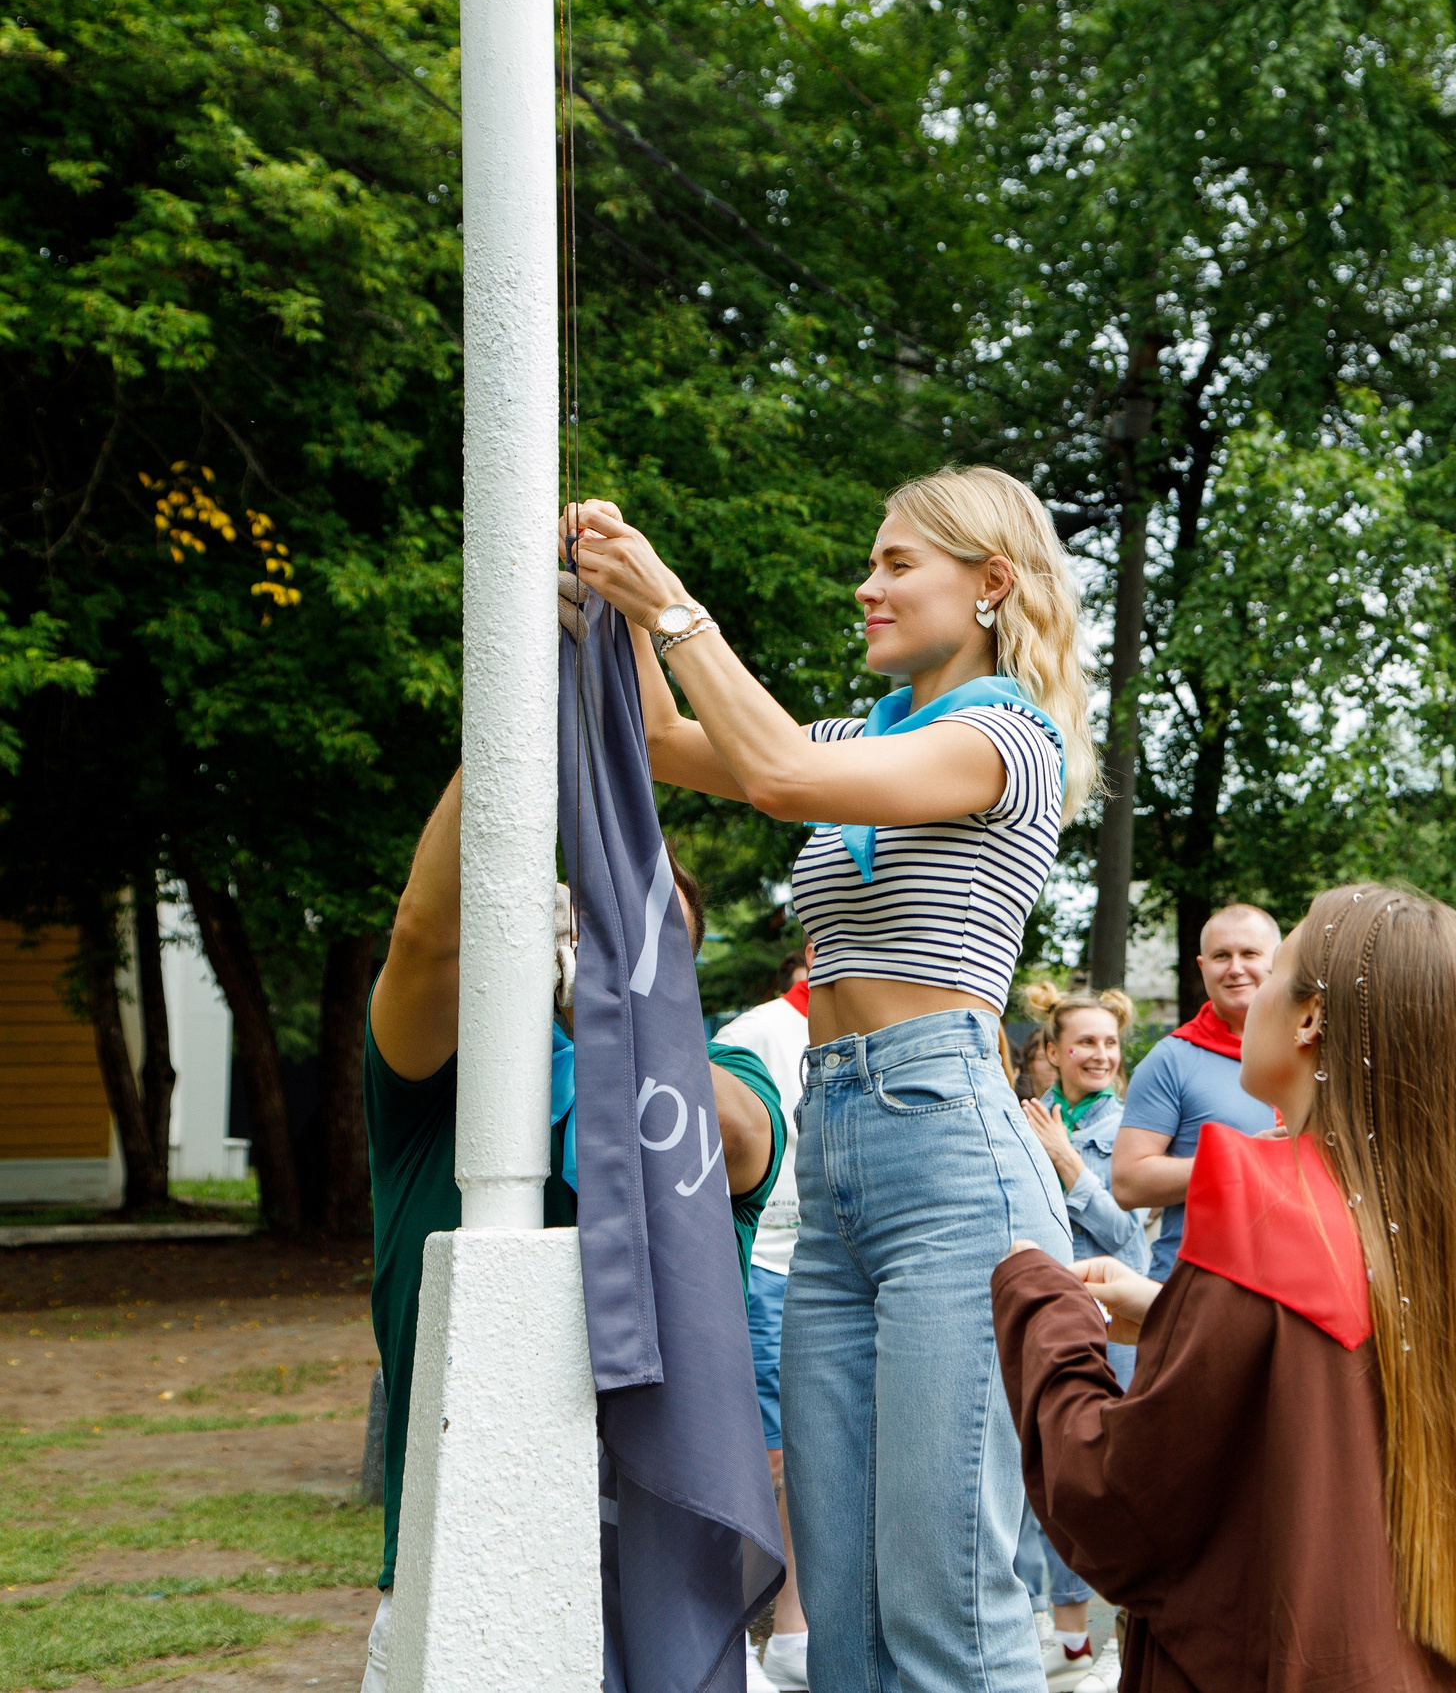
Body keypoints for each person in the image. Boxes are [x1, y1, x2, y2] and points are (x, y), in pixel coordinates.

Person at [564, 465, 1092, 1693]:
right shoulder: (872, 735)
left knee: (946, 1608)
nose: (867, 585)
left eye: (898, 563)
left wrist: (677, 604)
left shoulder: (1006, 739)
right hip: (839, 1147)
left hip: (951, 1150)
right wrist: (616, 598)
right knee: (839, 1627)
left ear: (992, 582)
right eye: (872, 560)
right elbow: (657, 742)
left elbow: (775, 777)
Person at [992, 883, 1456, 1690]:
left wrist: (1040, 1298)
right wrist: (1173, 1314)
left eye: (1275, 966)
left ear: (1311, 1016)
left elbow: (1118, 1498)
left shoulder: (1270, 1212)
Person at [361, 772, 785, 1693]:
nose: (612, 940)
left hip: (664, 1595)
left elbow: (742, 1135)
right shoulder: (441, 1082)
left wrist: (613, 1016)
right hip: (466, 1572)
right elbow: (425, 937)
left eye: (644, 927)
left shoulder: (726, 1083)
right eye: (595, 912)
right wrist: (523, 698)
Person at [1015, 983, 1149, 1691]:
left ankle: (1131, 1646)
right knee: (1053, 1483)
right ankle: (1070, 1642)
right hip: (1046, 1323)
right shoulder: (1030, 1117)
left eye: (1108, 1042)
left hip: (1114, 1334)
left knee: (1117, 1490)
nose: (1099, 1053)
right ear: (1055, 1052)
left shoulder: (1130, 1130)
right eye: (1085, 1042)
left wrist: (1068, 1162)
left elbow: (1133, 1241)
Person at [716, 947, 815, 1690]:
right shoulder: (757, 1032)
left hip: (843, 1266)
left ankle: (795, 1627)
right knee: (772, 1456)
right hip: (770, 1265)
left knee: (816, 1451)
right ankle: (770, 1629)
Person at [1113, 903, 1281, 1280]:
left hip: (1301, 1286)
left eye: (1249, 954)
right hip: (1199, 1287)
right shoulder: (1172, 1059)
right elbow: (1127, 1182)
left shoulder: (1314, 1048)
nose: (1236, 968)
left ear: (1278, 962)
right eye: (1222, 956)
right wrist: (1240, 1161)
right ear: (1203, 967)